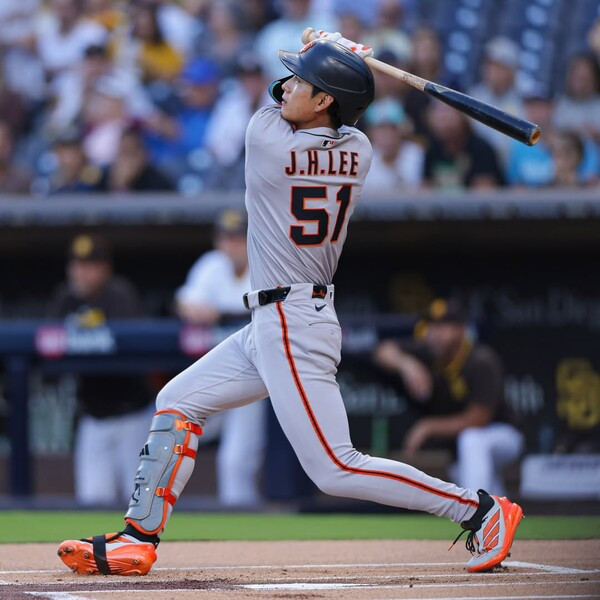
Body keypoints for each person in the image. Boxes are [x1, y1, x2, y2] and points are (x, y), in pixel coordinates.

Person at [58, 35, 523, 577]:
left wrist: (329, 51)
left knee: (335, 468)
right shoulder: (360, 151)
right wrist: (337, 59)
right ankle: (137, 539)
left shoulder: (267, 141)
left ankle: (479, 511)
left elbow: (276, 97)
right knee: (178, 399)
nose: (290, 87)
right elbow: (330, 112)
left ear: (325, 100)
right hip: (281, 318)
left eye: (305, 81)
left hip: (291, 322)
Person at [373, 298, 524, 496]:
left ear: (461, 330)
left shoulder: (480, 360)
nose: (435, 334)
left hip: (503, 435)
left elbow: (478, 419)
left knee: (472, 440)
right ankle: (495, 512)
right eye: (432, 327)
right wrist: (407, 365)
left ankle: (476, 509)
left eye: (443, 327)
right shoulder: (430, 353)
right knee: (467, 472)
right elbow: (383, 350)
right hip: (465, 449)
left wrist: (427, 427)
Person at [48, 234, 153, 506]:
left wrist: (89, 332)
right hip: (93, 418)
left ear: (105, 268)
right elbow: (46, 351)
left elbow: (138, 348)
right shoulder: (66, 298)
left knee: (140, 501)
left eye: (89, 266)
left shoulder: (120, 294)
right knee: (92, 500)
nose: (81, 273)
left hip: (133, 415)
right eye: (76, 265)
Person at [176, 209, 266, 507]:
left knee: (235, 461)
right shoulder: (211, 264)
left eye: (238, 238)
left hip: (255, 378)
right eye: (226, 238)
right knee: (171, 424)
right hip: (216, 374)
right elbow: (185, 301)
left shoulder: (266, 264)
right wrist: (198, 310)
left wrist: (221, 314)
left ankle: (242, 523)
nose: (231, 245)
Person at [422, 100, 504, 191]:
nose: (444, 123)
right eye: (440, 118)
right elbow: (426, 187)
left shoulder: (480, 148)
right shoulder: (432, 148)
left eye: (448, 117)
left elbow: (485, 190)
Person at [467, 37, 524, 165]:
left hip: (513, 166)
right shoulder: (473, 96)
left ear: (512, 71)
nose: (493, 71)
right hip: (481, 165)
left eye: (500, 66)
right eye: (490, 64)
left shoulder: (524, 98)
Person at [363, 97, 424, 193]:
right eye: (381, 128)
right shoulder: (363, 156)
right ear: (371, 132)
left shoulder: (416, 152)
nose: (388, 134)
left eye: (393, 128)